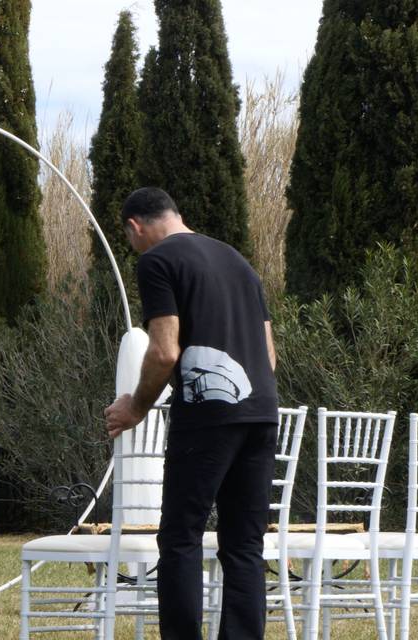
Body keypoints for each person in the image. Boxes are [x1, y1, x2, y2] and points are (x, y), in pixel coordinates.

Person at [104, 187, 278, 640]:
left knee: (180, 538)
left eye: (131, 239)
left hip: (207, 419)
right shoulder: (238, 261)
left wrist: (135, 406)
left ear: (135, 227)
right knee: (245, 544)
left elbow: (164, 352)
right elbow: (270, 355)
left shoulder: (157, 261)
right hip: (261, 412)